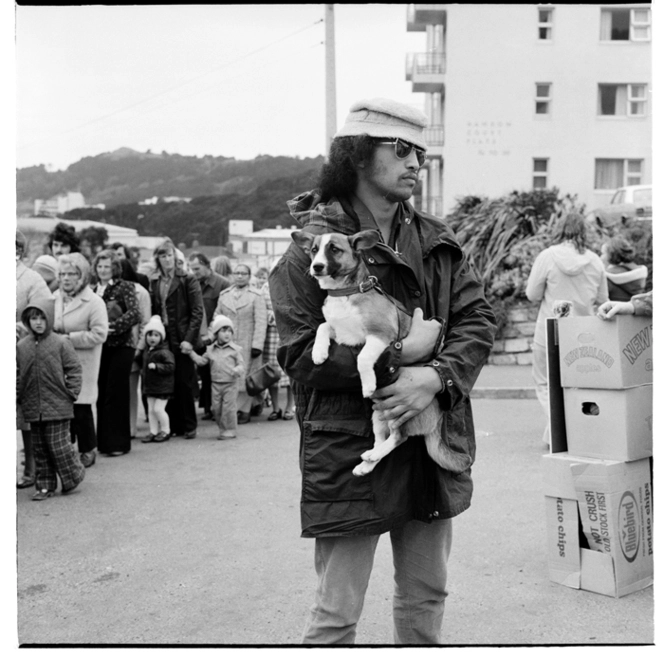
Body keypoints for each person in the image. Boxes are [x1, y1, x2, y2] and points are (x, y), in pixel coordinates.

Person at [269, 98, 496, 644]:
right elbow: (300, 354)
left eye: (420, 150)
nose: (416, 161)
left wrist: (435, 378)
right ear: (357, 157)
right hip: (348, 449)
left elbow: (478, 318)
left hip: (429, 442)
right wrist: (402, 358)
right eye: (401, 149)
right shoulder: (310, 250)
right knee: (336, 615)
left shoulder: (438, 239)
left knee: (426, 599)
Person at [526, 212, 608, 444]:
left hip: (549, 331)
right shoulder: (595, 261)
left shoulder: (547, 257)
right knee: (578, 384)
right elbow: (603, 299)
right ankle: (569, 430)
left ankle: (558, 431)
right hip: (583, 334)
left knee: (544, 382)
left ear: (560, 229)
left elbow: (532, 295)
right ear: (584, 232)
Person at [16, 298, 85, 500]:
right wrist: (17, 395)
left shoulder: (61, 342)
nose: (38, 322)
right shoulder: (22, 346)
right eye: (33, 318)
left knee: (59, 446)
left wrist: (71, 392)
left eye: (41, 318)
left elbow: (74, 369)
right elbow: (18, 373)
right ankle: (44, 486)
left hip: (58, 404)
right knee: (40, 449)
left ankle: (73, 475)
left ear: (49, 319)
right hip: (32, 405)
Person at [53, 253, 109, 468]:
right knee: (64, 406)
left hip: (83, 360)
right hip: (59, 361)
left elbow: (99, 334)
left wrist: (69, 339)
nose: (65, 278)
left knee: (82, 407)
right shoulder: (54, 297)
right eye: (62, 274)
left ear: (82, 275)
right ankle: (66, 449)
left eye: (71, 274)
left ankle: (88, 449)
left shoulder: (94, 302)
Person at [145, 238, 204, 439]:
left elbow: (197, 311)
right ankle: (173, 425)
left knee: (184, 381)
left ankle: (189, 425)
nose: (167, 259)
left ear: (175, 256)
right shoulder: (155, 280)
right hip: (163, 335)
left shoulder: (187, 278)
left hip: (182, 335)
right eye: (163, 256)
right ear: (158, 259)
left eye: (170, 255)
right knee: (165, 381)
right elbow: (155, 309)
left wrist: (189, 338)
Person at [92, 249, 140, 456]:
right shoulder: (93, 290)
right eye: (100, 266)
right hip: (100, 346)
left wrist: (115, 327)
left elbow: (135, 313)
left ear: (115, 268)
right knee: (101, 392)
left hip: (122, 345)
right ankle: (103, 442)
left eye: (107, 266)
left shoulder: (126, 287)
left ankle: (118, 443)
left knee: (116, 392)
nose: (103, 270)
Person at [16, 230, 53, 489]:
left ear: (17, 250)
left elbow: (44, 315)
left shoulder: (31, 280)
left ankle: (31, 466)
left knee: (23, 413)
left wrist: (18, 326)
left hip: (20, 353)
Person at [214, 263, 268, 424]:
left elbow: (261, 321)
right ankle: (232, 410)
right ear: (232, 275)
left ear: (249, 276)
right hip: (227, 343)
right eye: (237, 273)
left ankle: (245, 409)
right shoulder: (224, 295)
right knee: (230, 376)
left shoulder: (256, 296)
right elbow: (216, 317)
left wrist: (257, 344)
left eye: (243, 273)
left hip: (248, 341)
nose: (239, 276)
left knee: (247, 377)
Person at [188, 251, 231, 420]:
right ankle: (208, 407)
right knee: (204, 373)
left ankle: (219, 409)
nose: (194, 272)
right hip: (200, 335)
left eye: (197, 268)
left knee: (219, 374)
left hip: (217, 334)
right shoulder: (193, 283)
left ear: (207, 265)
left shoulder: (223, 283)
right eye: (192, 269)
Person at [189, 315, 245, 440]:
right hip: (215, 384)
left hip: (230, 384)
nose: (227, 334)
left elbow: (241, 365)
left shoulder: (235, 350)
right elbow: (201, 361)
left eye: (230, 331)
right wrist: (190, 353)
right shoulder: (210, 350)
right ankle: (222, 428)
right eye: (223, 331)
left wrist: (237, 370)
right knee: (217, 409)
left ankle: (229, 430)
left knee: (228, 409)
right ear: (216, 333)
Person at [119, 259, 152, 440]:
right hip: (116, 348)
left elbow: (145, 324)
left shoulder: (140, 292)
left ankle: (130, 427)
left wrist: (138, 348)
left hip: (133, 347)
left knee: (131, 390)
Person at [139, 315, 175, 444]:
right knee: (151, 410)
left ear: (161, 337)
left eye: (156, 335)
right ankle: (153, 431)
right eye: (149, 335)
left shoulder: (164, 352)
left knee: (158, 409)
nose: (152, 338)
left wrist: (157, 366)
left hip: (163, 387)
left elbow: (171, 366)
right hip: (150, 386)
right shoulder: (147, 351)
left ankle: (166, 430)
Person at [257, 268, 287, 420]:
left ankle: (290, 407)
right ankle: (276, 408)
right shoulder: (265, 287)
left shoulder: (291, 284)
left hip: (288, 333)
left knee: (289, 373)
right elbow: (262, 309)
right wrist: (274, 316)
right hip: (271, 335)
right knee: (272, 372)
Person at [600, 235, 647, 302]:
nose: (600, 257)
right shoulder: (639, 273)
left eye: (603, 253)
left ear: (611, 255)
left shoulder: (607, 277)